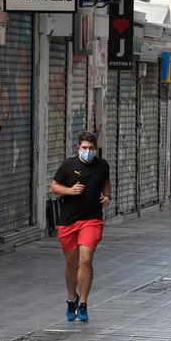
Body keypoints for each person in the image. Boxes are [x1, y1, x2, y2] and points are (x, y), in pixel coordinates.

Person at [50, 131, 110, 322]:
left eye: (91, 148)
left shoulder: (102, 165)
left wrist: (107, 196)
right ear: (78, 148)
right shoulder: (68, 165)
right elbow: (54, 187)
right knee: (71, 263)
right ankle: (71, 298)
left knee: (85, 260)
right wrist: (70, 191)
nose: (88, 151)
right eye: (84, 148)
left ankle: (83, 304)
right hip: (68, 221)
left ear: (95, 149)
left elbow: (106, 183)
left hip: (92, 220)